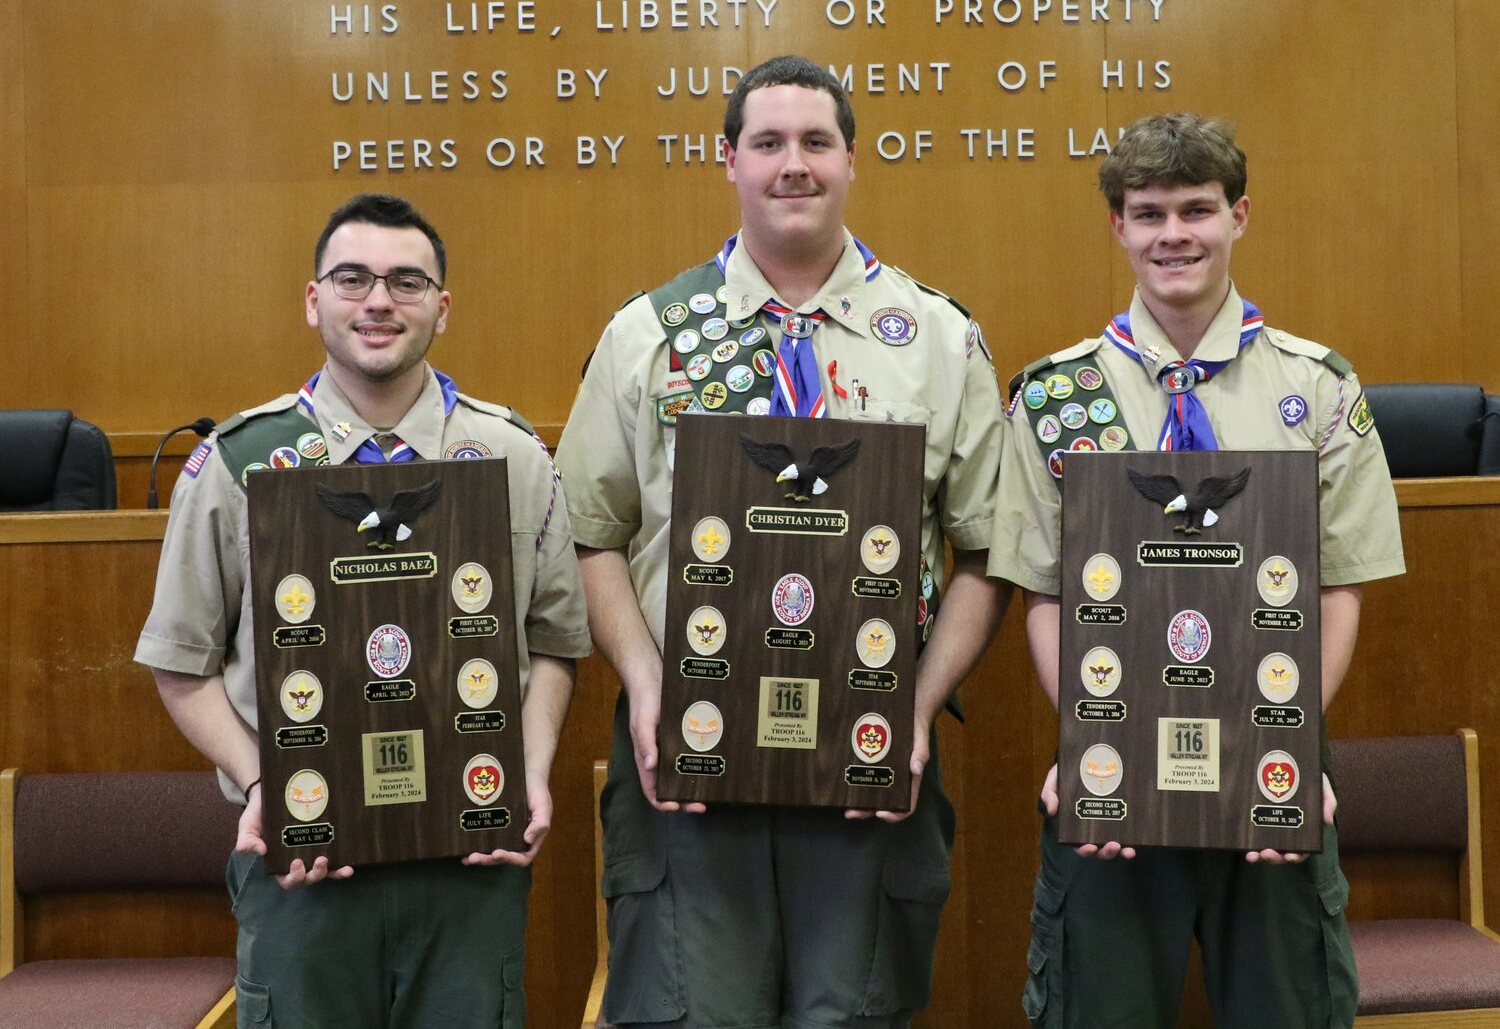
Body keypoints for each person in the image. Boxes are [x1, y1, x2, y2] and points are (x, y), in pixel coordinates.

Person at [554, 54, 1010, 1029]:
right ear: (729, 161)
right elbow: (590, 535)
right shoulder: (649, 335)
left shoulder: (935, 335)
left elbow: (984, 551)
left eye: (815, 141)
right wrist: (644, 680)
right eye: (768, 142)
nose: (791, 164)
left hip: (870, 762)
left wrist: (918, 706)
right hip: (688, 755)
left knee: (855, 1014)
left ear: (853, 159)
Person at [987, 113, 1406, 1028]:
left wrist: (1287, 741)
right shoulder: (1056, 401)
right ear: (1118, 227)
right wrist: (1090, 747)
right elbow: (1044, 598)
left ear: (1239, 215)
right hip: (1113, 779)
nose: (1173, 234)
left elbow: (1339, 590)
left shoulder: (1319, 388)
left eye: (1196, 210)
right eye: (1148, 213)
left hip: (1271, 767)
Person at [135, 192, 589, 1028]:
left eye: (406, 282)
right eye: (353, 279)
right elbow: (179, 664)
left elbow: (553, 644)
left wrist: (526, 771)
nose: (379, 301)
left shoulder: (513, 458)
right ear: (315, 300)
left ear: (441, 309)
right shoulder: (240, 463)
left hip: (470, 859)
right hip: (305, 865)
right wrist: (265, 780)